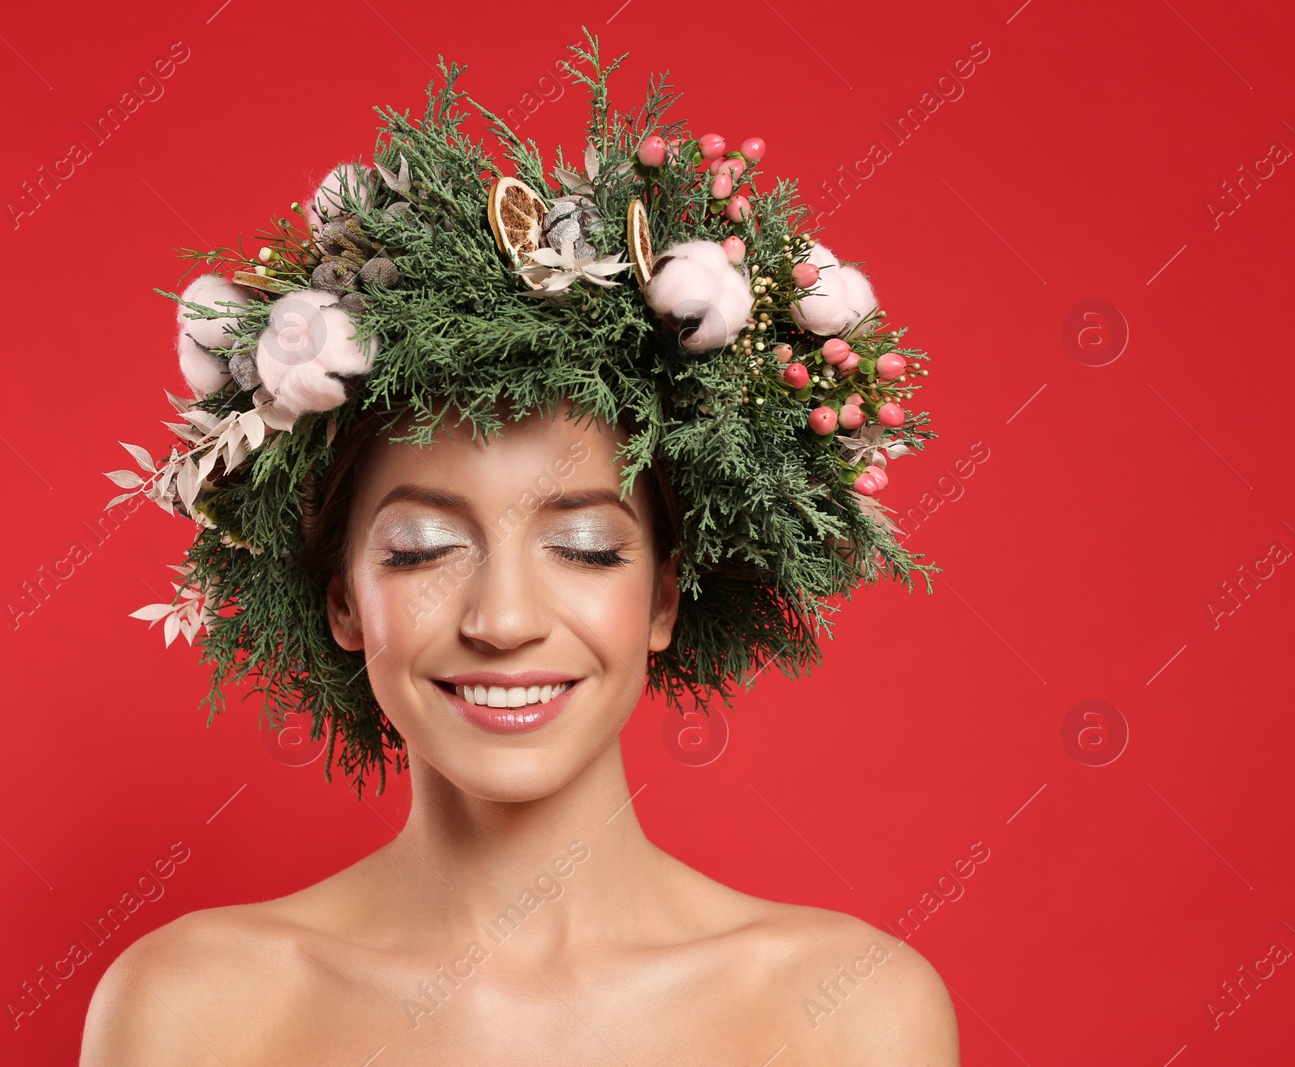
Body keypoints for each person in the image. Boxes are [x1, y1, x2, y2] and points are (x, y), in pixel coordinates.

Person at [82, 29, 952, 1064]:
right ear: (343, 600)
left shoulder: (847, 1015)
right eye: (418, 548)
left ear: (665, 598)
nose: (502, 620)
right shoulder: (197, 1013)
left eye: (584, 545)